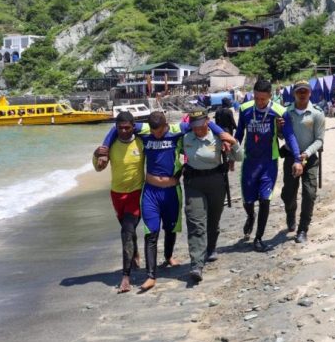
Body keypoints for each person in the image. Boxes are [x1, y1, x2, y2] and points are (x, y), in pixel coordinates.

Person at [99, 112, 234, 291]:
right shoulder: (145, 130)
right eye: (153, 132)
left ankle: (169, 256)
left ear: (165, 126)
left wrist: (221, 134)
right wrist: (105, 147)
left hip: (171, 192)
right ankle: (150, 276)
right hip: (151, 192)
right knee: (151, 233)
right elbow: (117, 128)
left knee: (170, 228)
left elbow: (201, 124)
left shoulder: (177, 130)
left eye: (160, 131)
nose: (156, 135)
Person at [236, 80, 302, 252]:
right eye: (256, 98)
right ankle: (250, 216)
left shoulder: (280, 112)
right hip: (250, 162)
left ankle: (258, 238)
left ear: (270, 97)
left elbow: (290, 136)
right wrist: (231, 151)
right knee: (248, 201)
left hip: (269, 163)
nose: (259, 102)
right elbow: (239, 134)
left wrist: (297, 158)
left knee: (265, 199)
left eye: (263, 99)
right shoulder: (245, 109)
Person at [182, 110, 244, 282]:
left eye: (200, 126)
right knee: (195, 222)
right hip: (193, 184)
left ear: (207, 122)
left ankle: (211, 248)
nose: (197, 130)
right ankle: (196, 264)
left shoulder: (219, 137)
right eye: (194, 127)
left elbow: (239, 157)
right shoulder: (185, 138)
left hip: (216, 182)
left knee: (213, 220)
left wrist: (233, 142)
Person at [92, 112, 143, 293]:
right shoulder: (110, 145)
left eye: (127, 128)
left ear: (133, 126)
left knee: (126, 232)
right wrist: (98, 156)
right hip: (117, 195)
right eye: (120, 128)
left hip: (136, 194)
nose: (123, 131)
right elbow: (99, 168)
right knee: (128, 230)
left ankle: (125, 277)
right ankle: (134, 250)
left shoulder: (141, 142)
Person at [281, 80, 325, 243]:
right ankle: (290, 213)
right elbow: (281, 136)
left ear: (310, 93)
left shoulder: (317, 113)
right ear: (294, 93)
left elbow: (320, 140)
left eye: (305, 91)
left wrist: (306, 153)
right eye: (299, 91)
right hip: (290, 157)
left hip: (310, 158)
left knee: (310, 193)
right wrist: (279, 129)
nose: (302, 94)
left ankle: (302, 229)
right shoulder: (287, 112)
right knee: (288, 194)